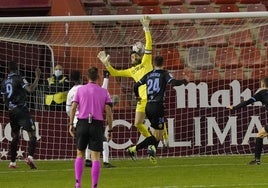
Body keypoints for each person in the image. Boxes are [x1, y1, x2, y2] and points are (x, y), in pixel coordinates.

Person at [97, 16, 159, 142]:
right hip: (142, 101)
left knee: (156, 123)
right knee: (137, 123)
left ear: (139, 56)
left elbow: (149, 45)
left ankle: (165, 135)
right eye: (131, 56)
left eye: (134, 56)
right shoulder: (131, 71)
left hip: (152, 97)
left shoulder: (146, 62)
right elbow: (115, 72)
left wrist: (146, 28)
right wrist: (106, 64)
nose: (132, 58)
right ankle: (151, 139)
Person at [128, 55, 188, 163]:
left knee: (156, 134)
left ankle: (151, 152)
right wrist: (184, 80)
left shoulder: (149, 74)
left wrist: (137, 97)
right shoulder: (164, 74)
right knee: (157, 137)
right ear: (163, 64)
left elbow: (136, 86)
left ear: (153, 64)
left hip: (148, 106)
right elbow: (173, 83)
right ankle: (133, 149)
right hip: (157, 106)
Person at [69, 67, 113, 188]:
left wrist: (71, 124)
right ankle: (94, 185)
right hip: (96, 124)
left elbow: (73, 108)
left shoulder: (80, 90)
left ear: (87, 77)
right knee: (95, 158)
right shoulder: (104, 92)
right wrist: (110, 128)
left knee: (80, 154)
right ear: (98, 77)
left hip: (82, 123)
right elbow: (108, 112)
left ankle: (78, 183)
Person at [0, 61, 41, 169]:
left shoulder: (4, 81)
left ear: (9, 70)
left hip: (11, 111)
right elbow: (30, 90)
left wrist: (10, 106)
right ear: (17, 68)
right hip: (21, 109)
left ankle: (12, 162)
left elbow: (4, 98)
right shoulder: (19, 78)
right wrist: (37, 78)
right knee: (32, 133)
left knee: (15, 136)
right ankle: (30, 157)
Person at [226, 76, 268, 165]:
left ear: (263, 84)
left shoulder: (262, 93)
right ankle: (257, 160)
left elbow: (247, 102)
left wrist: (234, 107)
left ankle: (257, 160)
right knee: (261, 134)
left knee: (260, 135)